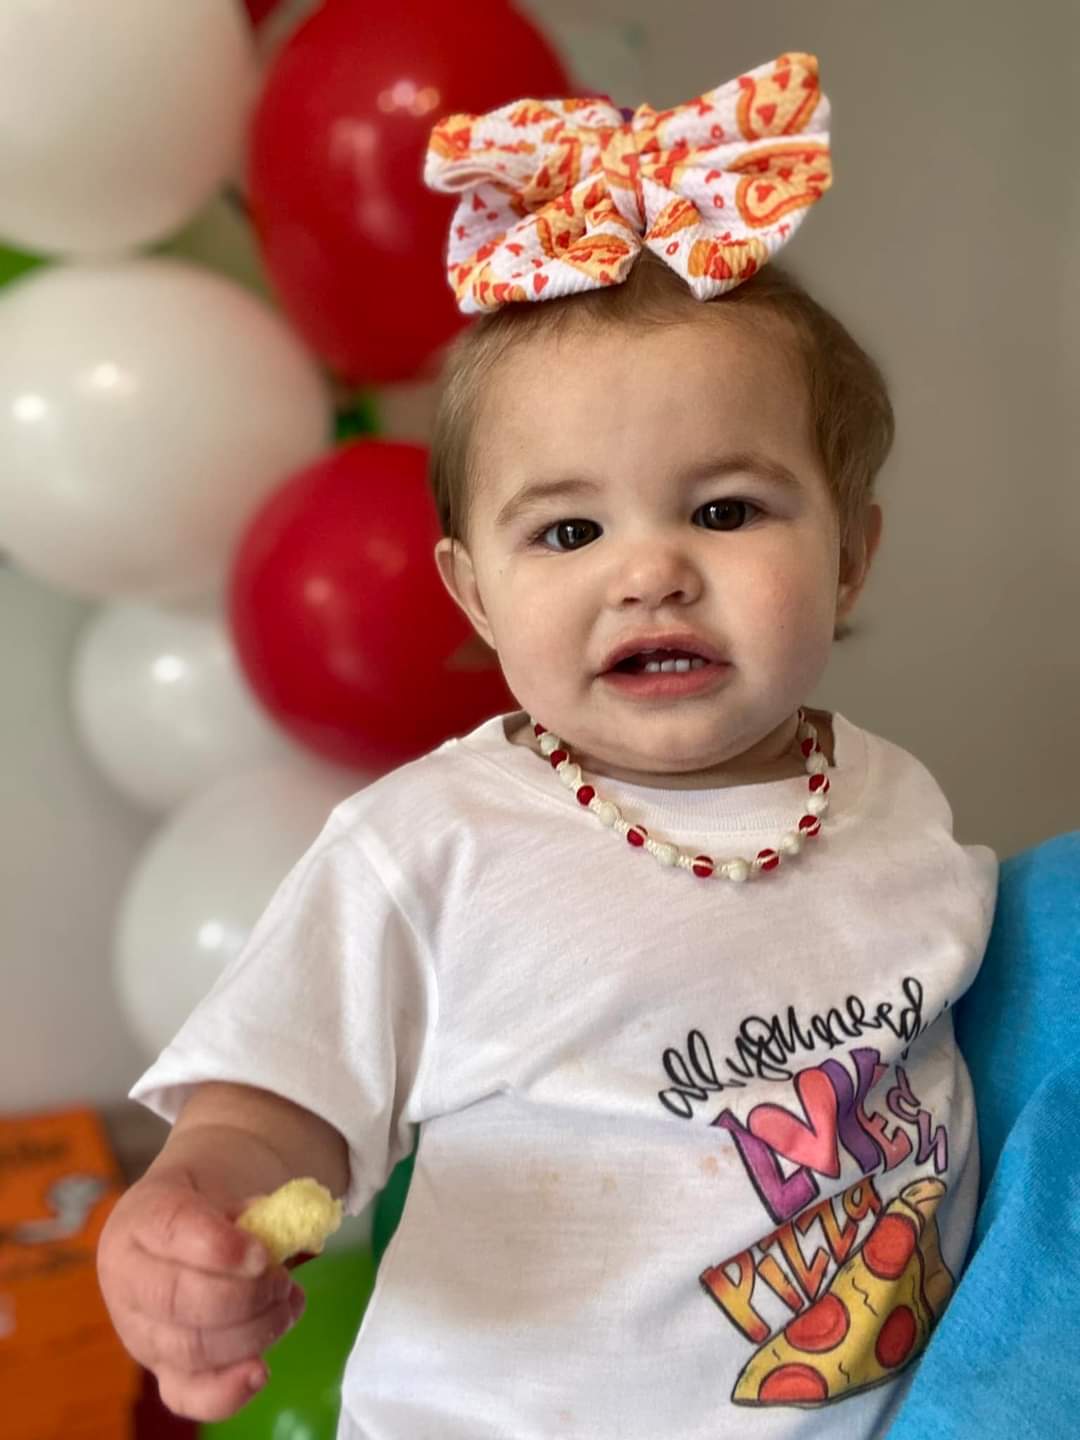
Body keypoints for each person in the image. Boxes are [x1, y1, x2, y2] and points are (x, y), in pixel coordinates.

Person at [97, 53, 997, 1439]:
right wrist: (193, 1207)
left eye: (728, 510)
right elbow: (274, 1106)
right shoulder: (434, 848)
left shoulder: (892, 798)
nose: (650, 573)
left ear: (851, 556)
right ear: (474, 593)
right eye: (569, 532)